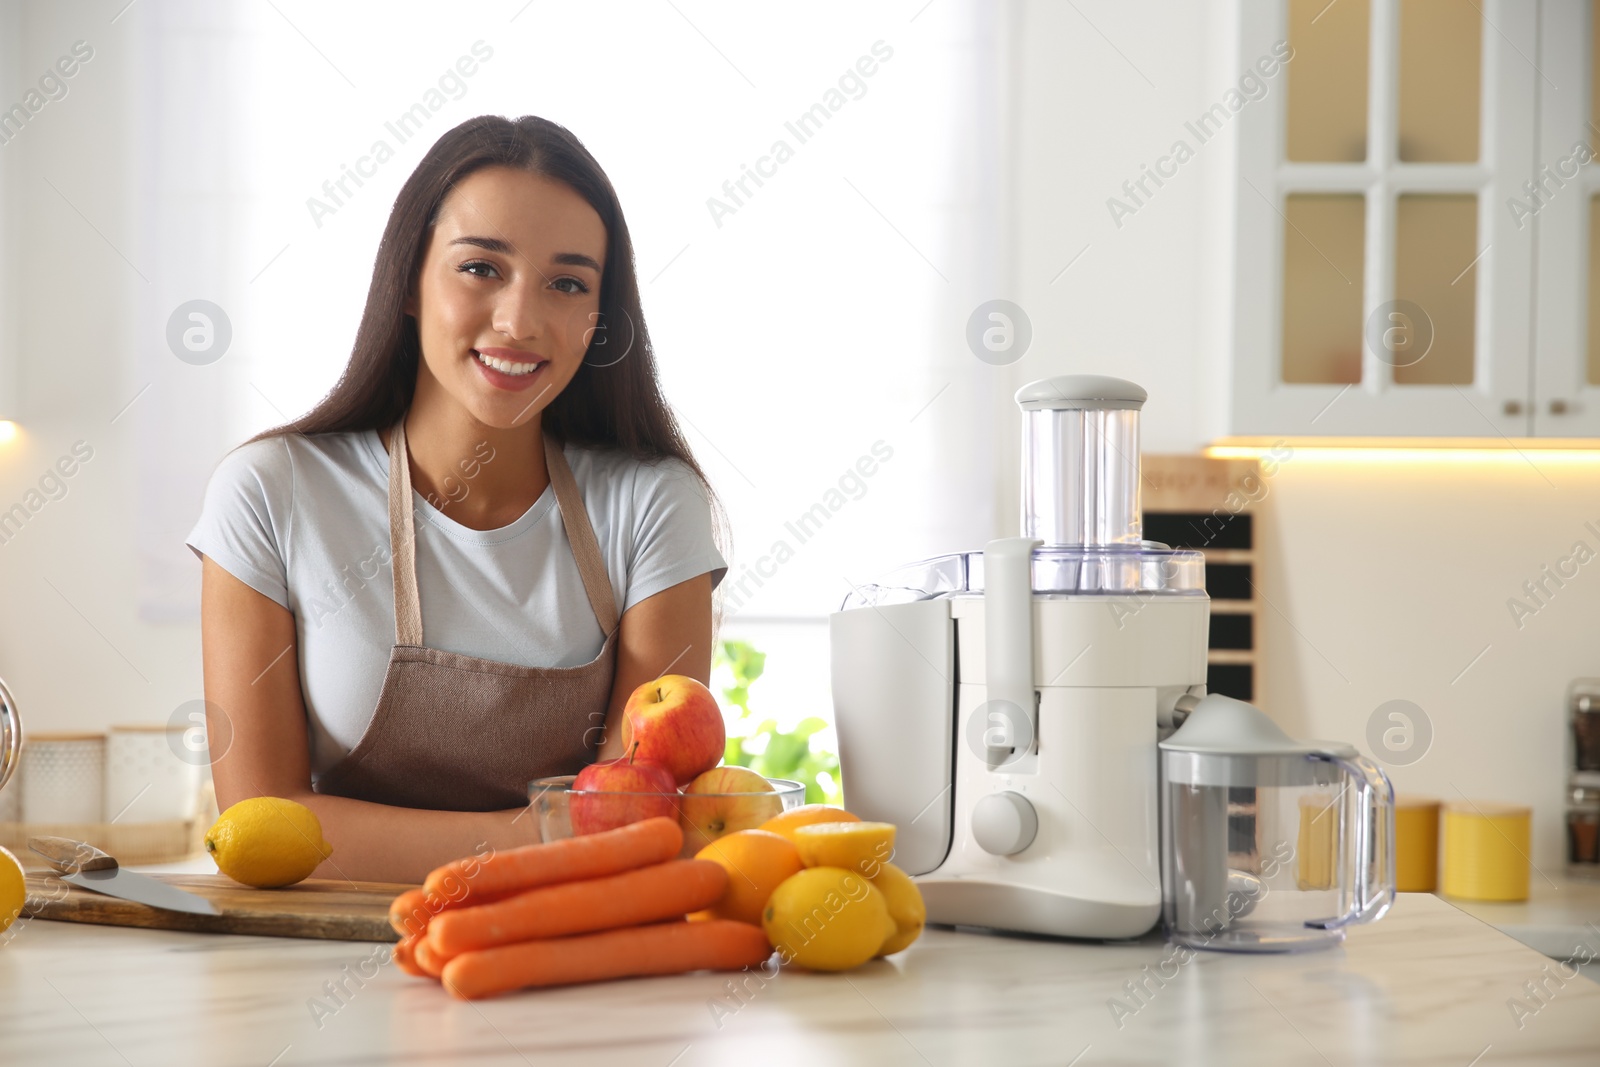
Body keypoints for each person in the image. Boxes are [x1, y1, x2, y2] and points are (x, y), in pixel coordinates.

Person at [186, 116, 728, 883]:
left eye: (568, 283)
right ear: (409, 280)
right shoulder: (271, 493)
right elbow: (258, 821)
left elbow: (637, 821)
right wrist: (557, 833)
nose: (520, 321)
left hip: (569, 956)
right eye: (481, 268)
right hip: (317, 967)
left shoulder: (652, 507)